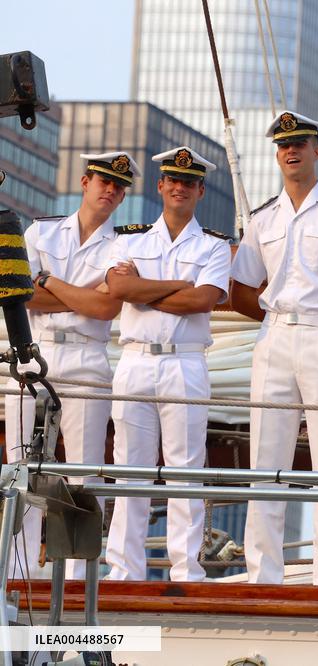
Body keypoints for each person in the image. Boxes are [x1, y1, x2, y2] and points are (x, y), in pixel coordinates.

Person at [230, 111, 318, 586]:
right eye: (282, 145)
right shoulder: (263, 217)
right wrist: (276, 319)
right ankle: (261, 574)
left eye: (300, 143)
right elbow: (241, 288)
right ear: (277, 154)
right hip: (274, 337)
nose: (290, 151)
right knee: (264, 462)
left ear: (317, 151)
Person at [104, 147, 232, 581]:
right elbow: (118, 290)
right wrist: (177, 285)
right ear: (160, 185)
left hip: (185, 363)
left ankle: (186, 570)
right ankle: (124, 571)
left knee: (185, 470)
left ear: (200, 190)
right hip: (135, 359)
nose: (179, 187)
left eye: (188, 182)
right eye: (172, 180)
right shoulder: (129, 238)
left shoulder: (215, 246)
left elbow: (203, 300)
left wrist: (144, 287)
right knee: (129, 470)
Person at [4, 152, 133, 579]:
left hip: (87, 357)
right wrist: (79, 293)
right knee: (21, 467)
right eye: (104, 182)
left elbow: (104, 309)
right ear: (85, 181)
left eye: (119, 187)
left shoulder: (124, 245)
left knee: (83, 471)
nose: (111, 191)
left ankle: (78, 575)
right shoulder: (41, 231)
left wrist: (48, 281)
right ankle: (16, 571)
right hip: (32, 353)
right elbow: (21, 294)